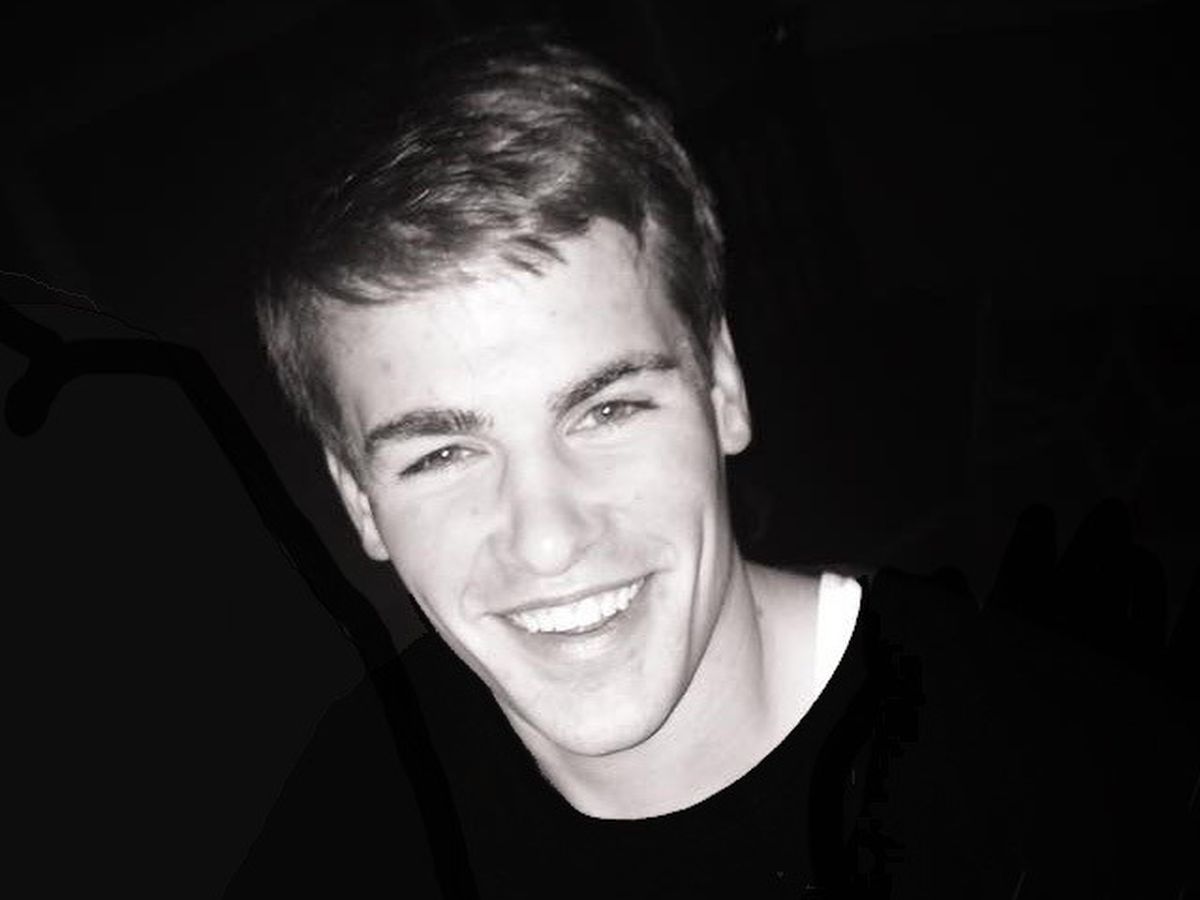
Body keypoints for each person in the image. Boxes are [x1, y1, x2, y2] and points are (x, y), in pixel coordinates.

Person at [228, 28, 1195, 900]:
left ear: (723, 386)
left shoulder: (1072, 784)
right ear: (359, 500)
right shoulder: (356, 808)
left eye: (607, 409)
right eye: (444, 453)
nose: (549, 539)